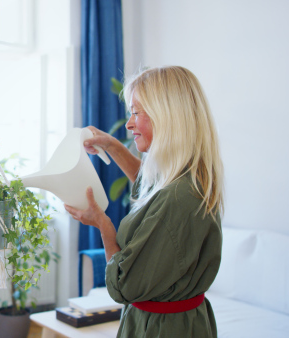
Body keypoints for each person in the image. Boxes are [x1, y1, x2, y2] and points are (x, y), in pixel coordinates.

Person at [64, 66, 223, 337]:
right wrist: (112, 145)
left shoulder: (176, 199)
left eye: (136, 113)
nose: (129, 124)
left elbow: (122, 287)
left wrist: (104, 227)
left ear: (167, 116)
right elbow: (148, 185)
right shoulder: (188, 177)